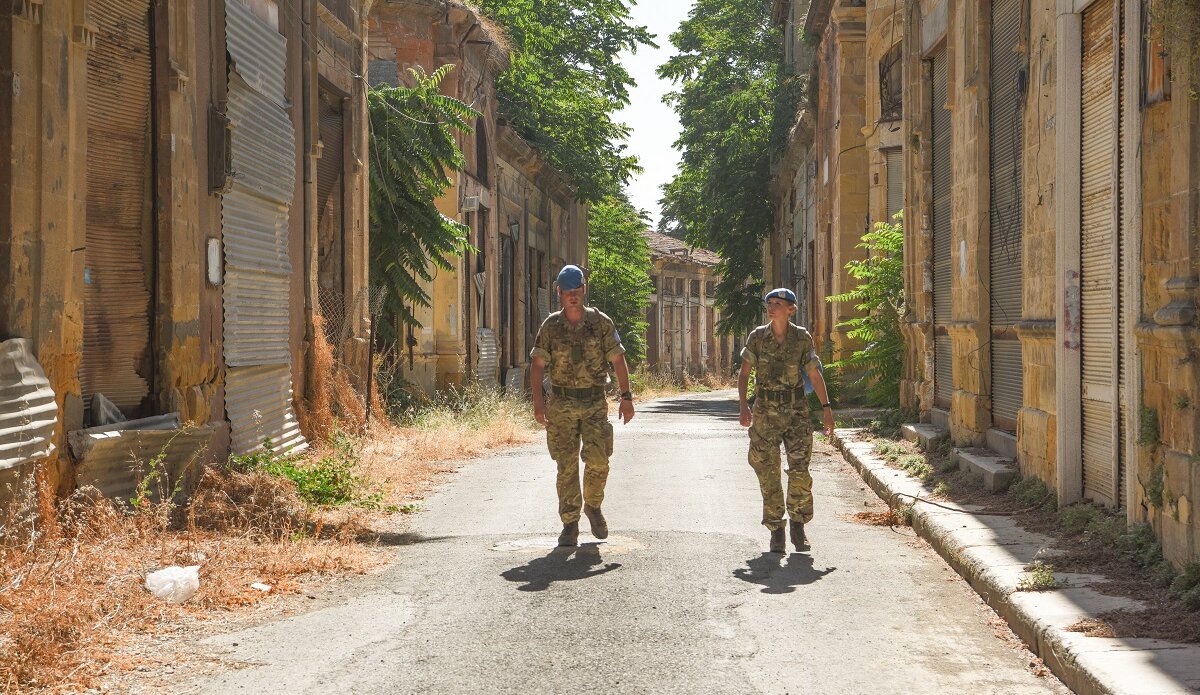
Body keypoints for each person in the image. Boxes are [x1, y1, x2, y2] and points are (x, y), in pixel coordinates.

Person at [530, 265, 635, 547]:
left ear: (584, 290)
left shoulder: (600, 323)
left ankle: (594, 505)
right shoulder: (551, 326)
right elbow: (538, 365)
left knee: (598, 460)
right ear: (559, 293)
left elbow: (618, 360)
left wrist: (626, 398)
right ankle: (570, 524)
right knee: (565, 465)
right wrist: (538, 404)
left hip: (593, 402)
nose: (573, 297)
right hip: (561, 404)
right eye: (568, 293)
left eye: (577, 292)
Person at [738, 288, 835, 553]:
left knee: (800, 470)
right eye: (769, 303)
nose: (771, 307)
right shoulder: (757, 337)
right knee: (768, 471)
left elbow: (814, 375)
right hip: (765, 411)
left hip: (796, 412)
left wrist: (826, 408)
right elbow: (745, 374)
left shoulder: (802, 338)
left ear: (790, 309)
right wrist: (744, 406)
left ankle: (798, 526)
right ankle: (776, 531)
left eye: (777, 304)